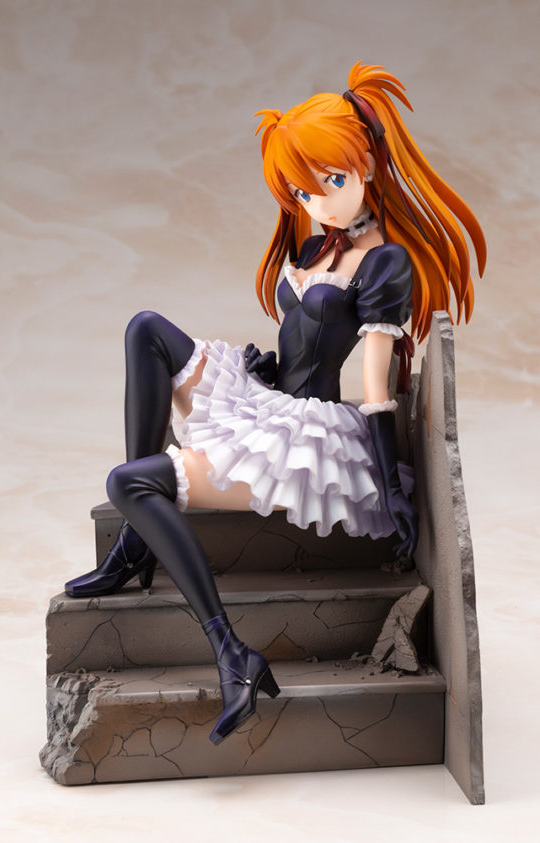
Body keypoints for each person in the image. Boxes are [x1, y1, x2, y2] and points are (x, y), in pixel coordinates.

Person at [64, 62, 486, 744]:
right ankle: (139, 542)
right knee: (145, 329)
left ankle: (232, 653)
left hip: (300, 436)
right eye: (302, 189)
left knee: (128, 482)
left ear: (368, 166)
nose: (317, 202)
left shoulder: (386, 263)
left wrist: (391, 487)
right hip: (266, 397)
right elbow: (301, 334)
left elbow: (375, 385)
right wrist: (266, 363)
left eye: (332, 181)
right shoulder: (315, 242)